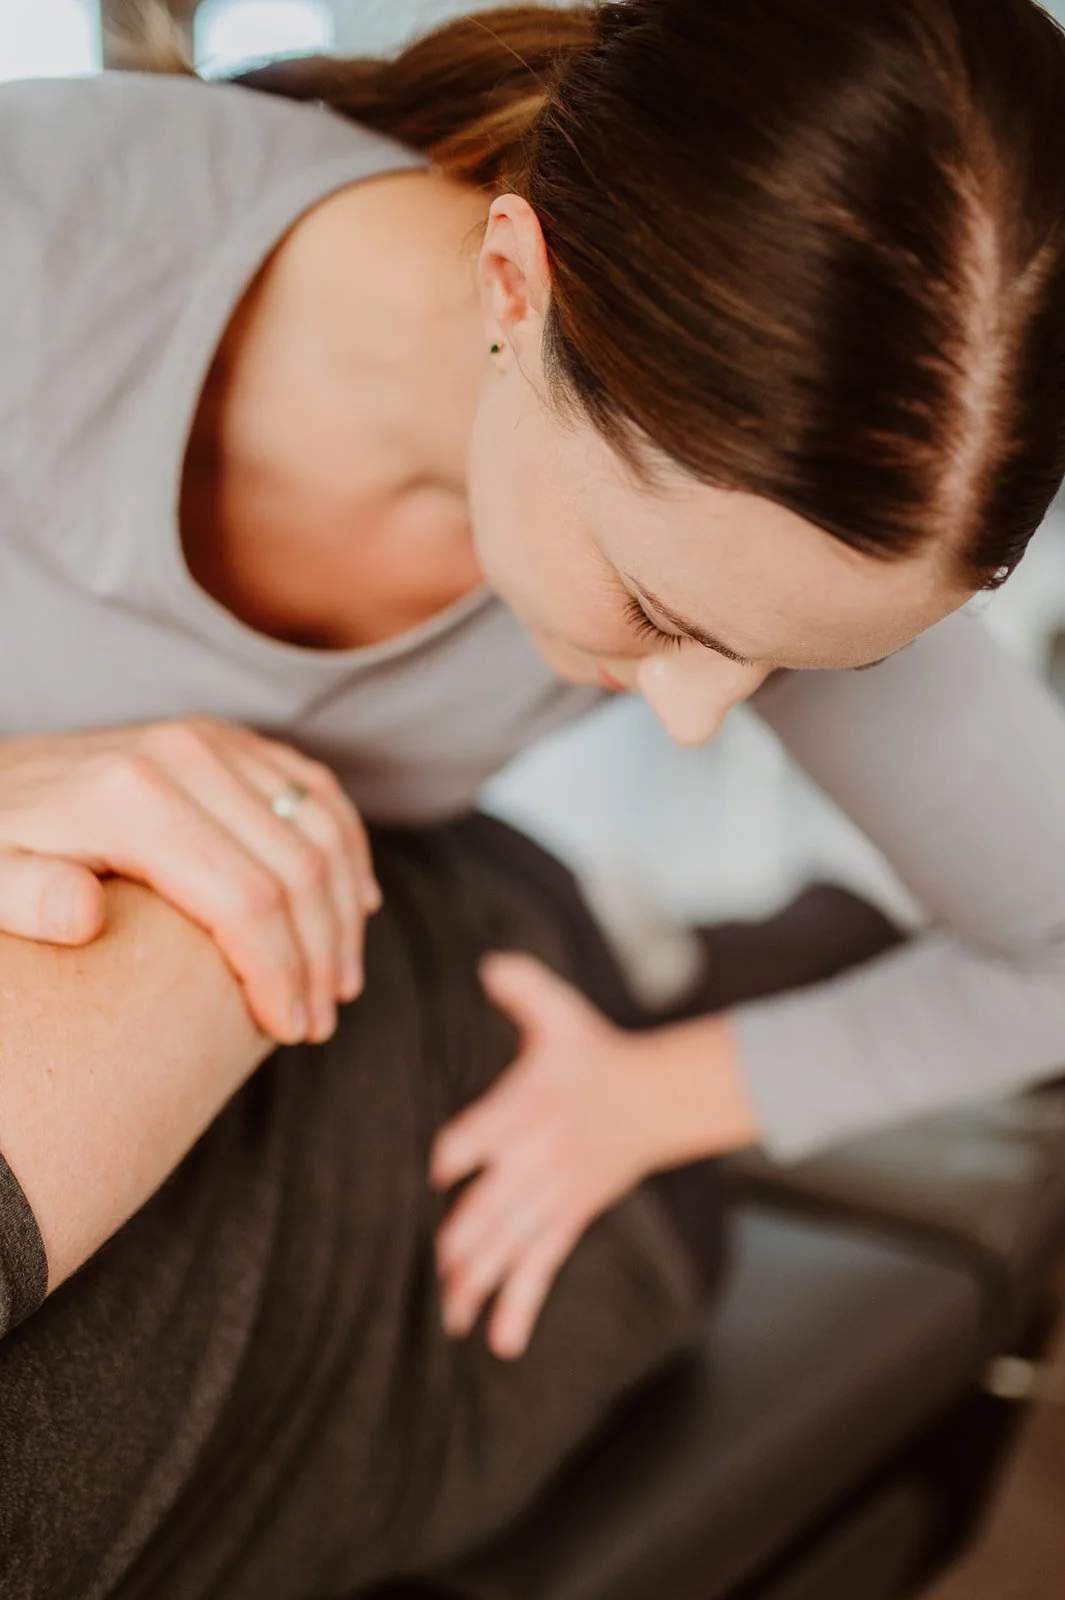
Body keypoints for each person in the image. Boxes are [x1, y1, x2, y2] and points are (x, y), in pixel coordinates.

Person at [2, 0, 1065, 1591]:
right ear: (515, 283)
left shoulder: (779, 525)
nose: (701, 721)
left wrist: (658, 1098)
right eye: (659, 613)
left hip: (407, 947)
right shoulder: (44, 241)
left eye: (783, 665)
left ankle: (728, 952)